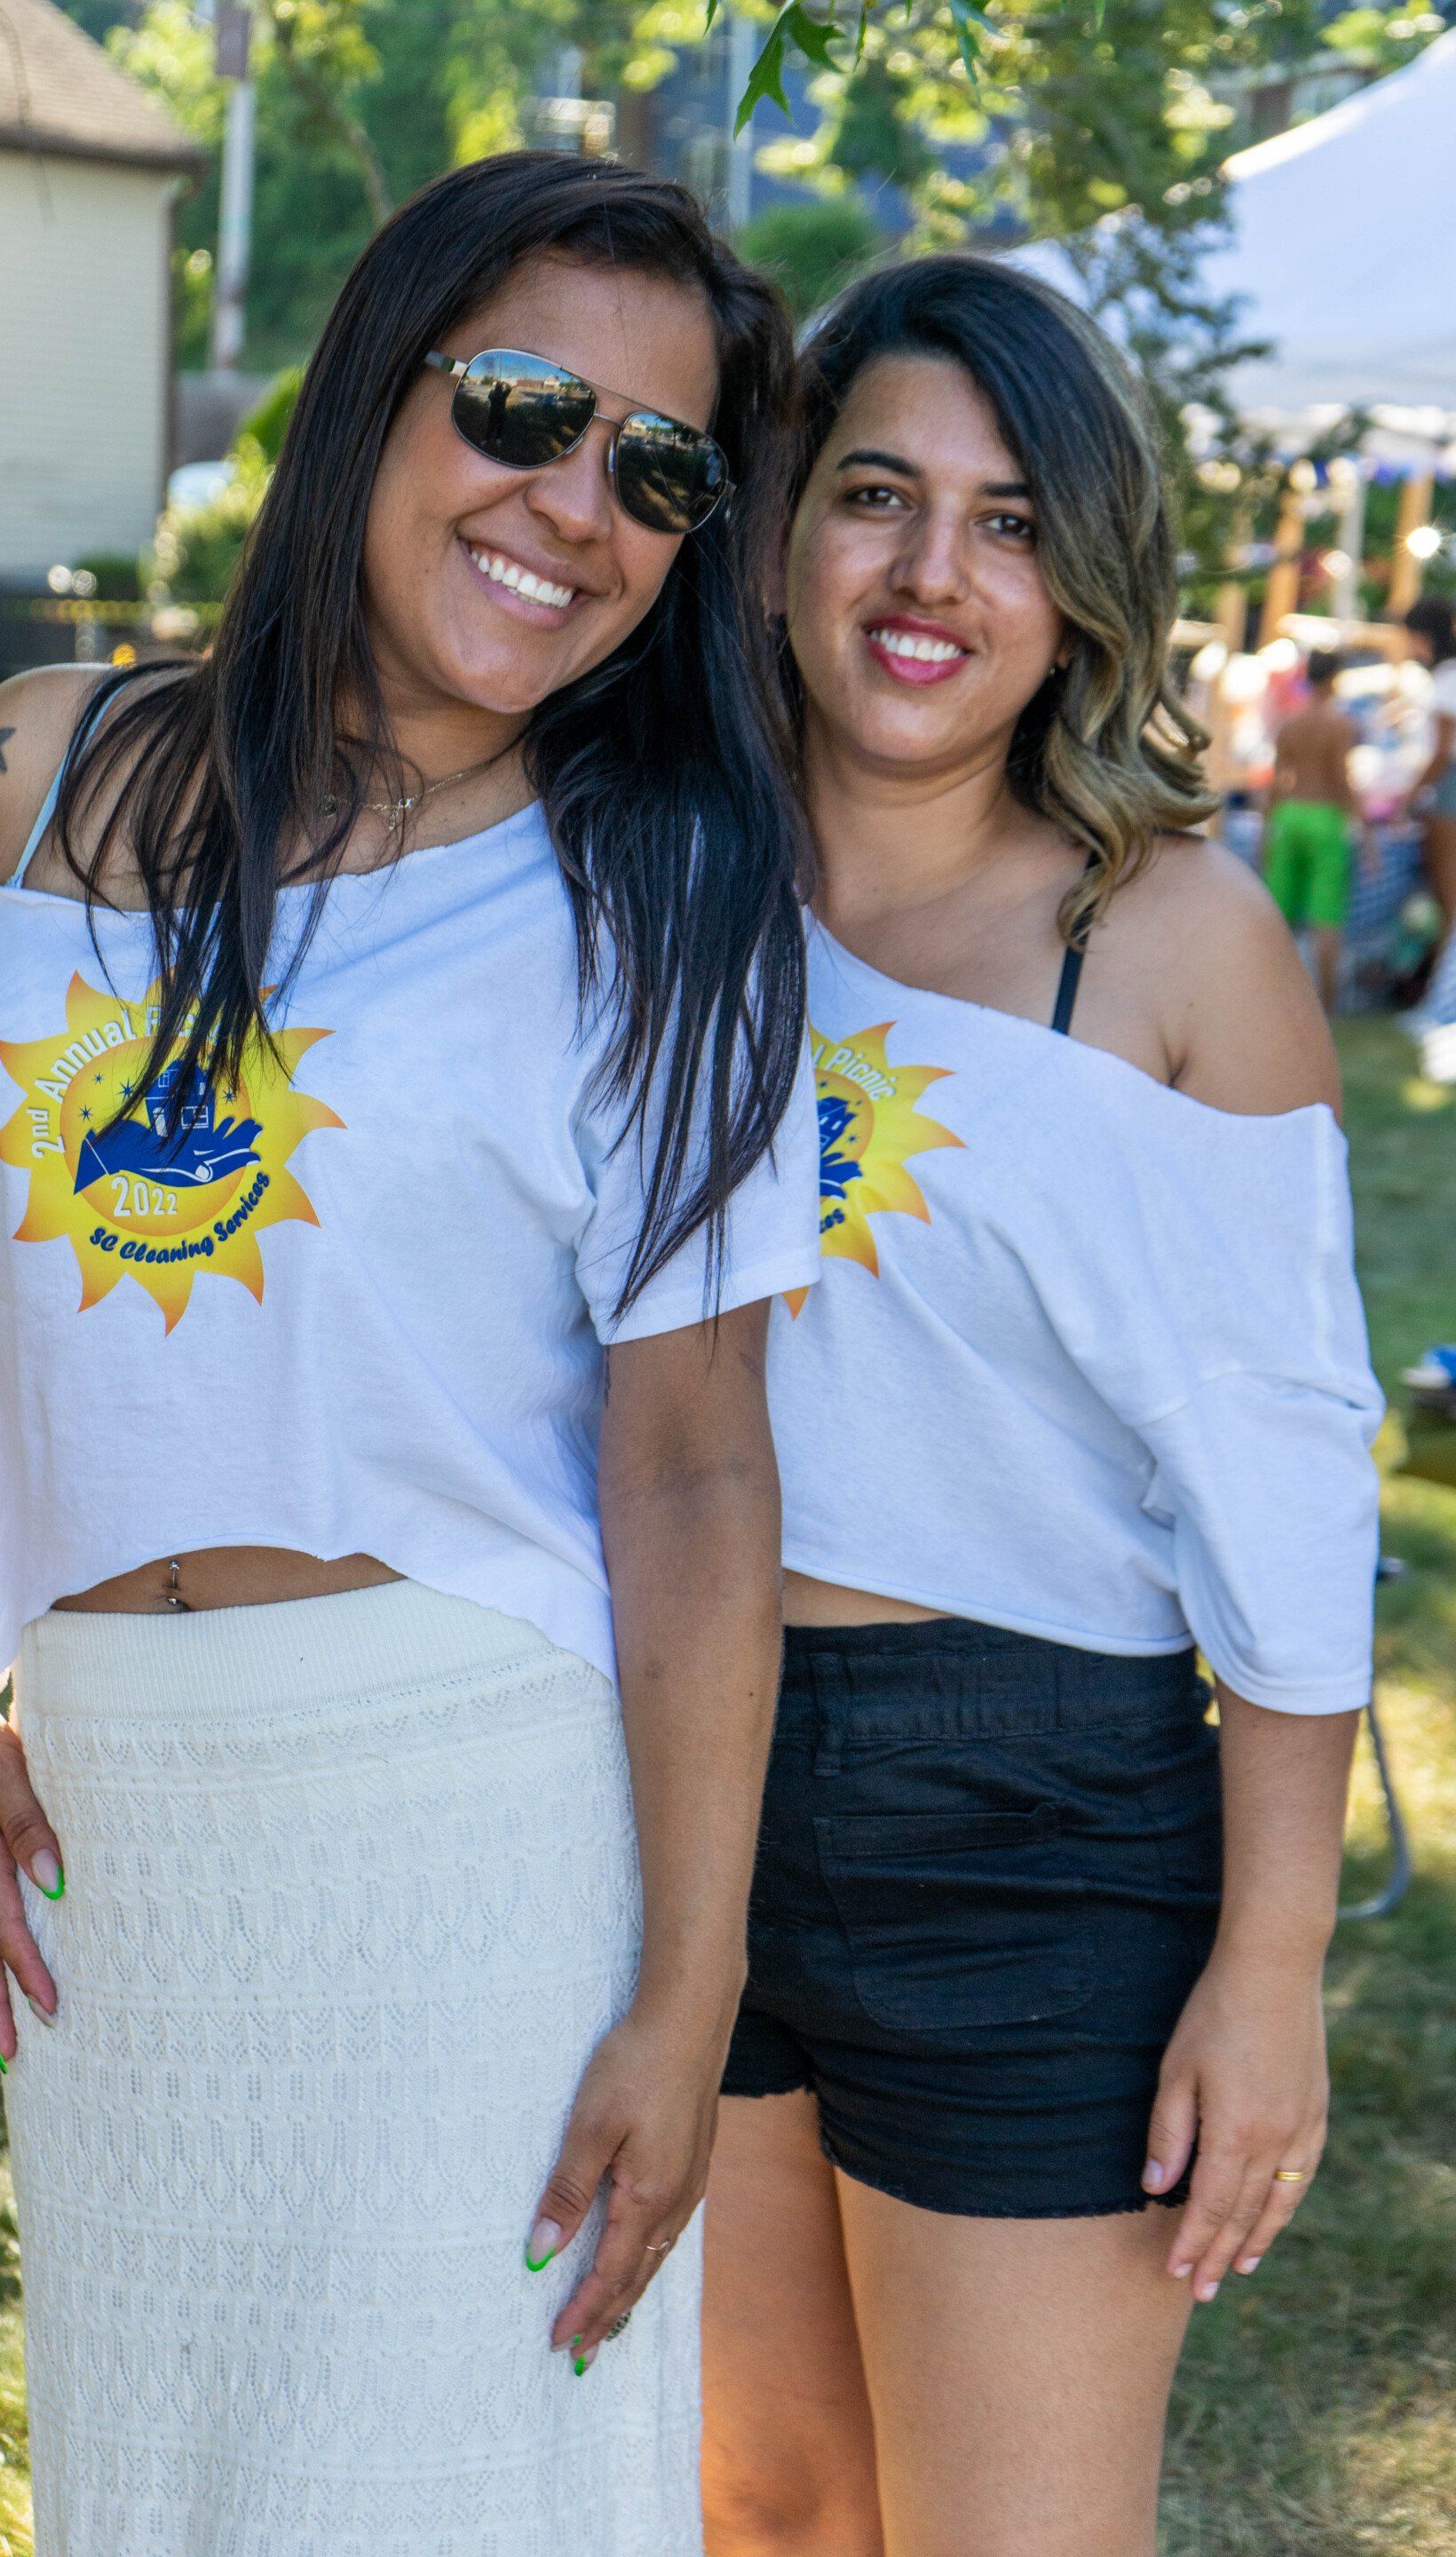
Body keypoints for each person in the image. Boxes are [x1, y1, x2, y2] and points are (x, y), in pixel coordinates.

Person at [0, 154, 820, 2556]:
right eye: (519, 409)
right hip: (127, 1845)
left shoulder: (665, 890)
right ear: (374, 391)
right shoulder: (26, 776)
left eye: (656, 473)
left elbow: (694, 1474)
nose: (575, 509)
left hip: (474, 1830)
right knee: (164, 2495)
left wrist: (687, 2002)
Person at [701, 255, 1382, 2557]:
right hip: (649, 1769)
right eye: (879, 496)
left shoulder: (1173, 940)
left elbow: (1288, 1500)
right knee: (769, 2516)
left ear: (1085, 582)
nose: (929, 576)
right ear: (784, 523)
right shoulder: (654, 876)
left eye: (1008, 524)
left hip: (1031, 1824)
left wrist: (1268, 1966)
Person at [1263, 646, 1367, 1011]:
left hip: (1289, 816)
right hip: (1325, 818)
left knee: (1280, 915)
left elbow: (1277, 782)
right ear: (1335, 678)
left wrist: (1266, 832)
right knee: (1326, 918)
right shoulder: (1339, 725)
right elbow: (1342, 780)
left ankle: (1273, 997)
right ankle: (1326, 1005)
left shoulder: (1290, 723)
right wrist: (1366, 832)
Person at [1402, 594, 1456, 954]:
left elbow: (1441, 751)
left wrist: (1411, 794)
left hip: (1448, 787)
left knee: (1447, 890)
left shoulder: (1447, 676)